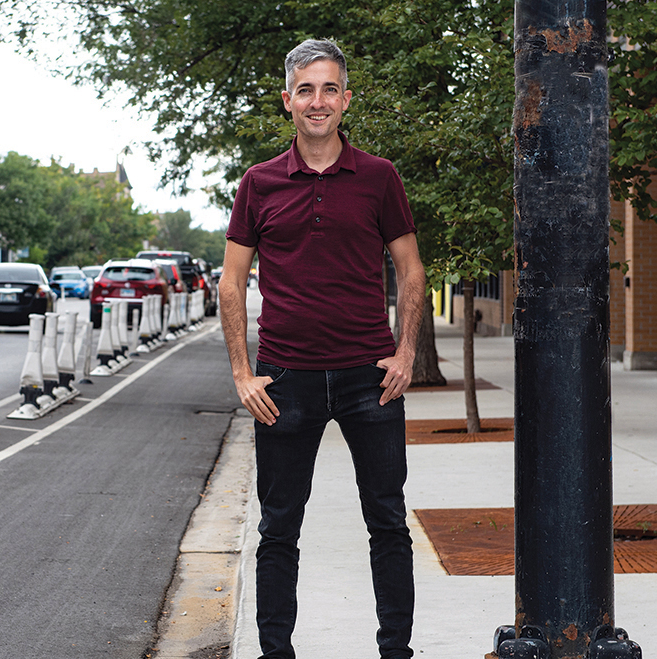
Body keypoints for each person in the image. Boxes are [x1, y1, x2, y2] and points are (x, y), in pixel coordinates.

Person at [218, 39, 426, 659]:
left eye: (330, 88)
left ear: (345, 100)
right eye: (306, 90)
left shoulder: (379, 178)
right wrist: (242, 373)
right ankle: (275, 654)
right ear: (288, 101)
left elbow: (411, 270)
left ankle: (396, 652)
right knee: (278, 529)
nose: (318, 101)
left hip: (370, 377)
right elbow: (230, 281)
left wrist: (407, 351)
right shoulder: (258, 184)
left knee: (388, 524)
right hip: (285, 382)